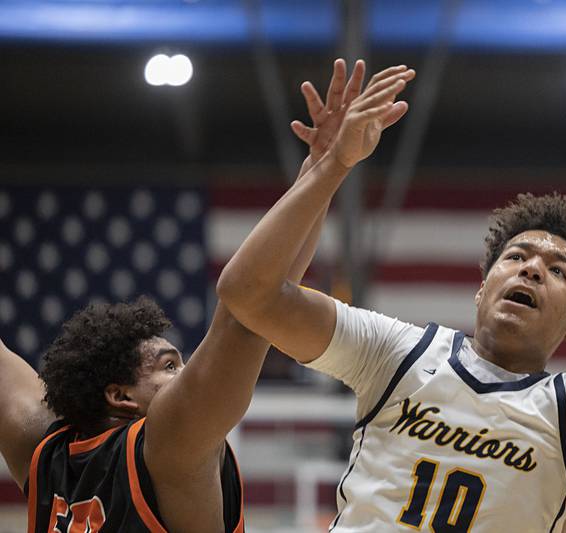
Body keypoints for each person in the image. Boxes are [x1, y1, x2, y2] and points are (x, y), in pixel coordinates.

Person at [217, 64, 566, 531]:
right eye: (517, 256)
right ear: (482, 288)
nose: (533, 268)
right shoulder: (397, 352)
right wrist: (329, 168)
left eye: (557, 270)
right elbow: (250, 294)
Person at [0, 59, 368, 532]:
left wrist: (319, 174)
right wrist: (330, 167)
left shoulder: (42, 452)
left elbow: (259, 306)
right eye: (168, 366)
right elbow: (248, 310)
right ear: (121, 396)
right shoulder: (169, 444)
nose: (189, 370)